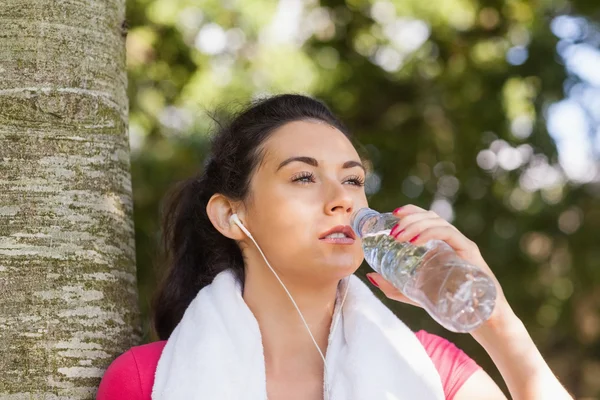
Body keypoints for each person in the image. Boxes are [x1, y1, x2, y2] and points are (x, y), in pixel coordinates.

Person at [97, 94, 573, 400]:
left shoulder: (433, 371)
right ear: (231, 216)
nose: (342, 198)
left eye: (353, 179)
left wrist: (496, 322)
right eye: (303, 176)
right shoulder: (146, 381)